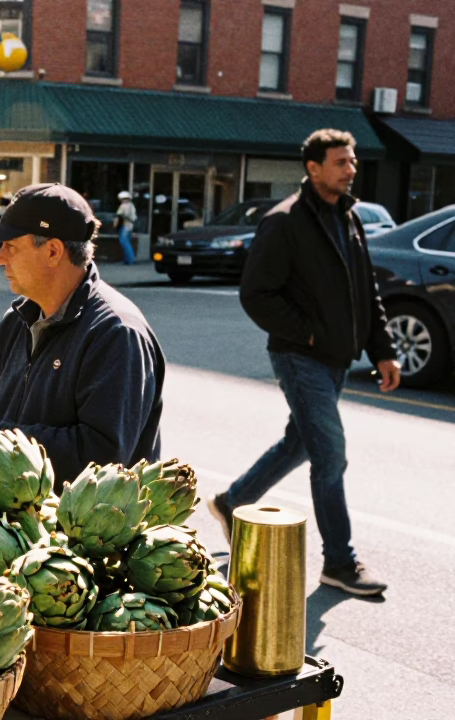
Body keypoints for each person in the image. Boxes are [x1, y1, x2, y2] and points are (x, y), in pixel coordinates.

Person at [208, 129, 399, 597]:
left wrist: (383, 348)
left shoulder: (348, 217)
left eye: (352, 161)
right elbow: (256, 294)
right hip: (300, 356)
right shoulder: (285, 221)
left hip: (335, 358)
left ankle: (234, 502)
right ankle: (340, 561)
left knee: (301, 442)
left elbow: (364, 291)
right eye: (340, 162)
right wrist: (308, 331)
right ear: (313, 168)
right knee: (330, 452)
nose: (350, 169)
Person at [0, 183, 165, 488]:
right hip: (19, 519)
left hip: (89, 529)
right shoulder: (18, 318)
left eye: (10, 246)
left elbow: (103, 458)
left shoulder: (117, 333)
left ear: (53, 251)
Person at [116, 190, 138, 265]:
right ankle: (127, 259)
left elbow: (120, 214)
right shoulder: (131, 205)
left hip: (125, 225)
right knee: (126, 241)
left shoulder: (124, 206)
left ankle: (130, 259)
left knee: (124, 242)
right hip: (130, 226)